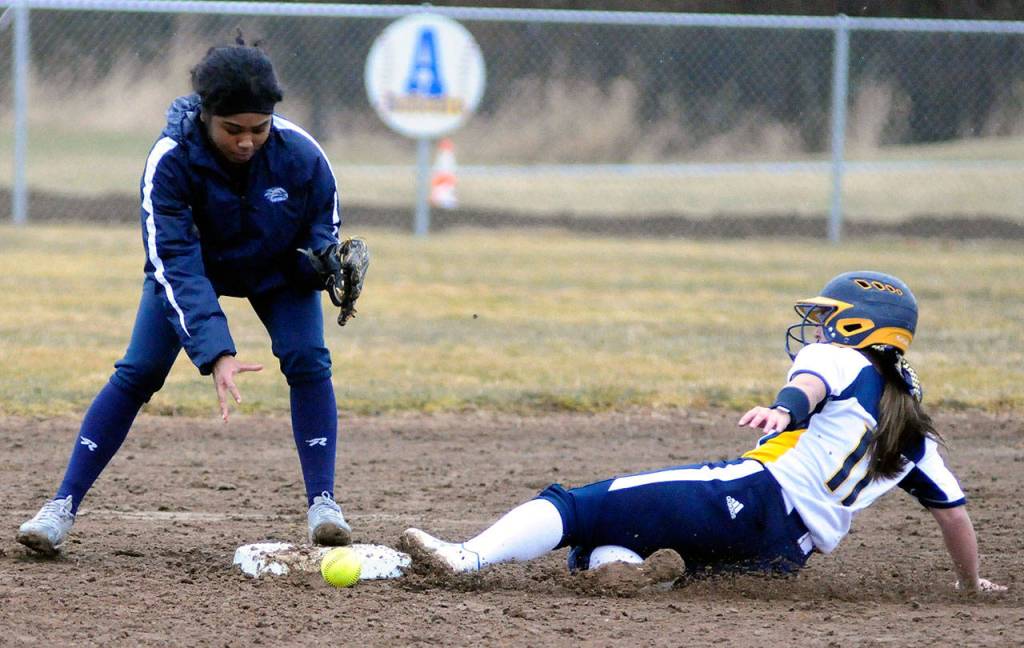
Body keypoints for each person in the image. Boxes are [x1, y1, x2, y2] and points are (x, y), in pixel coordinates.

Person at [400, 271, 1005, 593]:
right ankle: (628, 573)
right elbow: (952, 514)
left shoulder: (846, 360)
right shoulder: (914, 430)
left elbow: (814, 381)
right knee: (601, 552)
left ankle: (465, 558)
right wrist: (969, 582)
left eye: (826, 319)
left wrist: (784, 410)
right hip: (782, 557)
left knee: (576, 507)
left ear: (857, 325)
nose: (816, 330)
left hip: (754, 495)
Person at [17, 38, 368, 555]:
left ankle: (324, 504)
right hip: (193, 268)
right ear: (206, 116)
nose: (248, 141)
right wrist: (217, 352)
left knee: (308, 360)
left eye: (259, 128)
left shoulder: (302, 155)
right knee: (138, 372)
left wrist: (323, 261)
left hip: (274, 269)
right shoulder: (171, 160)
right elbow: (174, 262)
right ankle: (60, 507)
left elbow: (321, 223)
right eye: (233, 129)